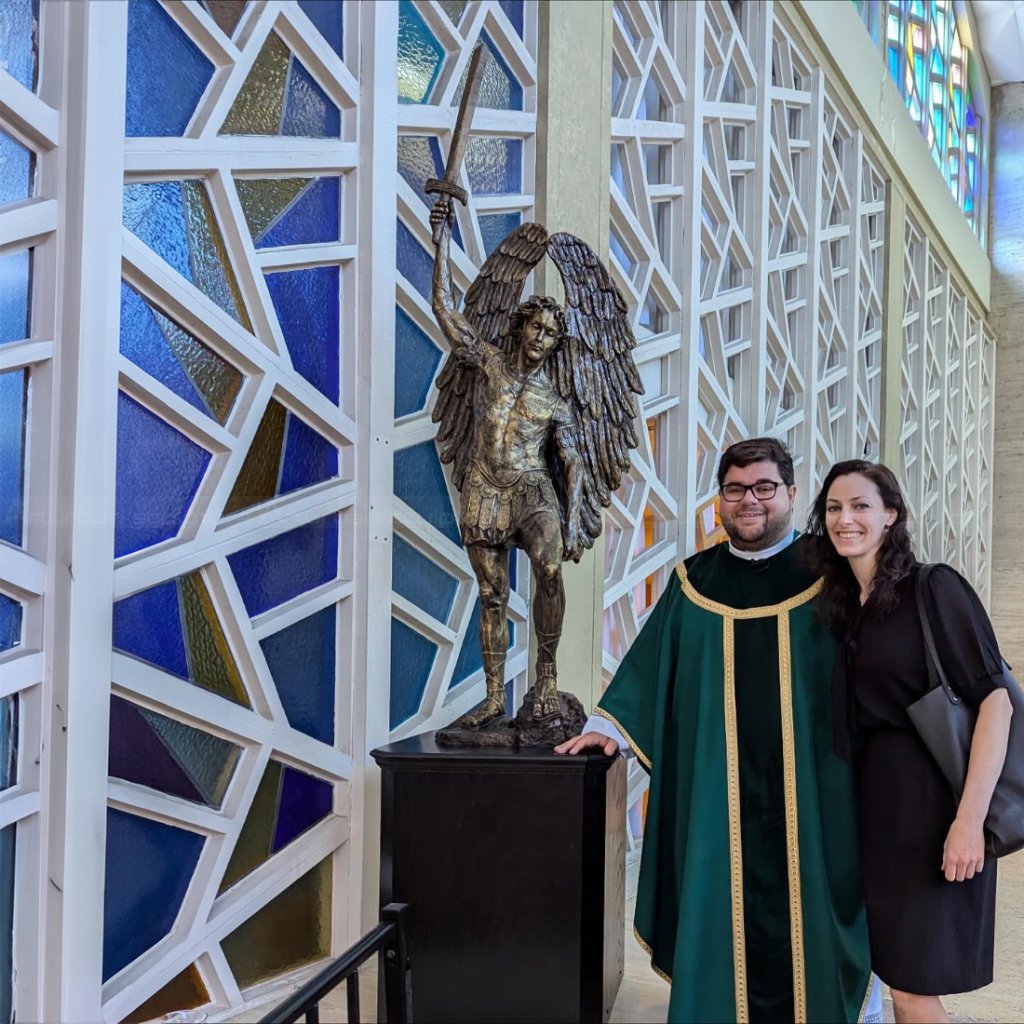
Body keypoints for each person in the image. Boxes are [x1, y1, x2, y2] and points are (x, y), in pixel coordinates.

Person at [556, 438, 872, 1023]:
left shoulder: (832, 577)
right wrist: (611, 725)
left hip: (814, 797)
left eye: (763, 488)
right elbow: (652, 668)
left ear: (791, 494)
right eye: (734, 490)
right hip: (717, 805)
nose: (748, 501)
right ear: (719, 501)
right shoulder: (693, 582)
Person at [807, 460, 1012, 1024]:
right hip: (880, 812)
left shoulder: (932, 586)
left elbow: (996, 701)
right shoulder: (848, 606)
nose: (844, 519)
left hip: (933, 809)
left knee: (914, 987)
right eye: (833, 508)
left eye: (860, 506)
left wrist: (969, 822)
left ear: (891, 515)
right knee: (899, 981)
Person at [428, 195, 587, 727]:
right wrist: (438, 238)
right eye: (535, 328)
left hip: (532, 486)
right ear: (520, 326)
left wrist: (575, 517)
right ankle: (495, 697)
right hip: (484, 485)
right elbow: (445, 311)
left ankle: (546, 676)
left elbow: (572, 461)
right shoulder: (488, 363)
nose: (541, 340)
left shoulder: (554, 401)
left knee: (547, 568)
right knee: (492, 592)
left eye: (551, 335)